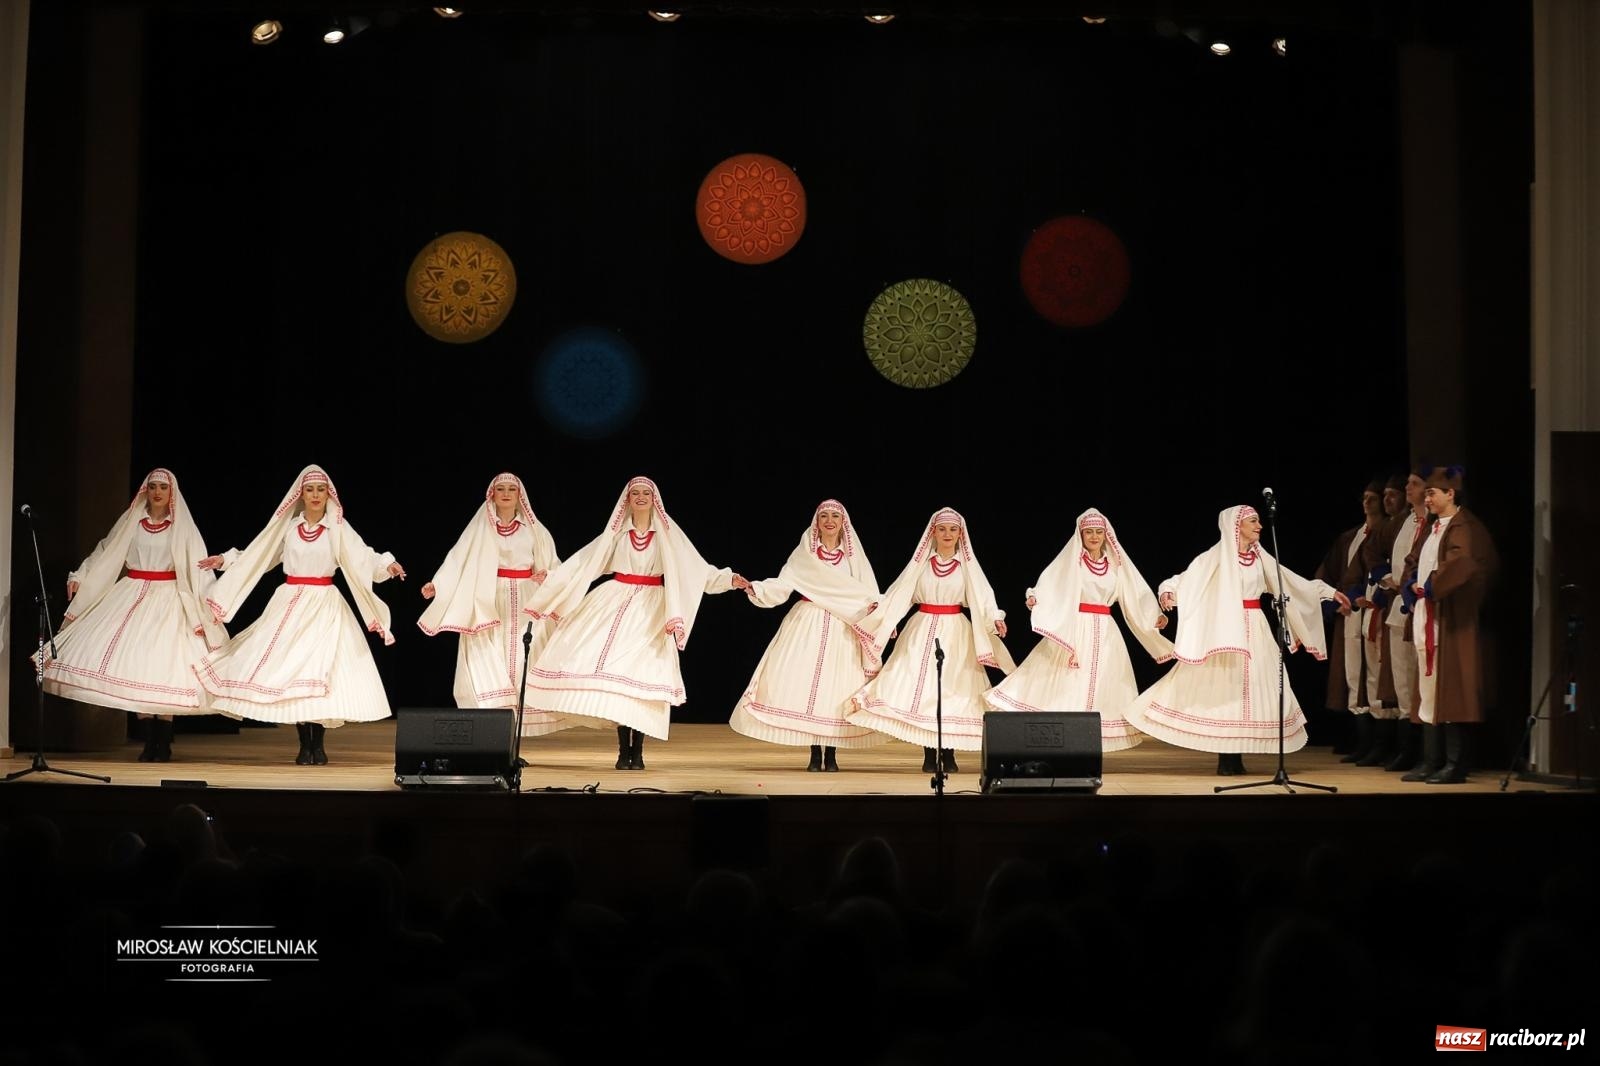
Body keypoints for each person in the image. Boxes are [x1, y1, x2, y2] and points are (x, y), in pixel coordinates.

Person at [520, 476, 748, 770]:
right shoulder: (616, 534)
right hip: (614, 602)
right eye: (635, 493)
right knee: (615, 673)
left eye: (646, 493)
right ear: (626, 499)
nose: (640, 497)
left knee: (641, 677)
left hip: (651, 609)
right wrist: (553, 578)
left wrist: (728, 579)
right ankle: (621, 751)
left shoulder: (667, 534)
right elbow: (584, 564)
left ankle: (637, 751)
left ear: (655, 498)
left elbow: (696, 569)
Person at [195, 465, 406, 765]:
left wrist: (387, 566)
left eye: (321, 490)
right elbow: (259, 556)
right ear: (301, 494)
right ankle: (303, 743)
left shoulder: (338, 528)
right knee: (291, 669)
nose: (316, 495)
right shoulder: (289, 528)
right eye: (310, 490)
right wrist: (225, 560)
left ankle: (317, 744)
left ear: (328, 494)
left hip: (324, 604)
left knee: (317, 670)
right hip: (290, 603)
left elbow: (364, 557)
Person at [1124, 505, 1350, 776]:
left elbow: (1291, 583)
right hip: (1226, 630)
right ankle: (1227, 757)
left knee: (1254, 688)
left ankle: (1239, 753)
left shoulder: (1261, 559)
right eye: (1253, 521)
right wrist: (1169, 592)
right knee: (1227, 689)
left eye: (1258, 521)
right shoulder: (1216, 558)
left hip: (1255, 629)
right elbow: (1184, 579)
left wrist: (1327, 591)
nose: (1259, 526)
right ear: (1236, 525)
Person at [37, 469, 229, 762]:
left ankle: (162, 740)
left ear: (171, 493)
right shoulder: (132, 523)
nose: (157, 492)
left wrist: (213, 601)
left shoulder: (181, 527)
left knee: (163, 665)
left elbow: (196, 562)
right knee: (136, 662)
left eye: (163, 487)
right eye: (152, 486)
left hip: (168, 597)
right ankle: (147, 739)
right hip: (133, 594)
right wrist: (81, 574)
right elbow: (105, 549)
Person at [985, 508, 1172, 752]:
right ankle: (1063, 738)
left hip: (1105, 631)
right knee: (1067, 682)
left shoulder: (1115, 566)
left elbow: (1135, 593)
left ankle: (1091, 744)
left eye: (1098, 532)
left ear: (1106, 535)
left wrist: (1152, 615)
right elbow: (1052, 582)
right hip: (1076, 626)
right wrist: (1036, 597)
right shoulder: (1073, 562)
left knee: (1103, 681)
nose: (1094, 537)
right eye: (1089, 532)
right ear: (1081, 535)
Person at [846, 507, 1014, 774]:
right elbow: (899, 593)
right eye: (942, 529)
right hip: (922, 628)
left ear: (961, 534)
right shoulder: (921, 565)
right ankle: (928, 750)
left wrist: (994, 618)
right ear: (933, 532)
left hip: (956, 630)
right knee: (921, 687)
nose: (947, 534)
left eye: (953, 529)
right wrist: (881, 612)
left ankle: (948, 752)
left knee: (953, 688)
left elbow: (983, 597)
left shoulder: (967, 568)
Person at [730, 499, 882, 771]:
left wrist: (879, 615)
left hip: (841, 626)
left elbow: (868, 592)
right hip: (807, 621)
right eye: (824, 516)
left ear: (843, 522)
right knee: (805, 684)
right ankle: (814, 753)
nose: (829, 520)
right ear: (817, 522)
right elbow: (783, 583)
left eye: (835, 516)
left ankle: (832, 754)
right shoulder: (805, 555)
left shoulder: (852, 558)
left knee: (836, 686)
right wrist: (755, 588)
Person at [418, 473, 560, 708]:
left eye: (511, 490)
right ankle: (494, 711)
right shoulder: (481, 527)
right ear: (492, 494)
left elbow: (551, 562)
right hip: (488, 596)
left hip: (525, 595)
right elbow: (458, 557)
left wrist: (547, 574)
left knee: (521, 651)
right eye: (500, 489)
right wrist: (439, 584)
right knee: (487, 651)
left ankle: (521, 713)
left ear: (519, 495)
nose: (505, 494)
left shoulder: (534, 529)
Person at [1398, 465, 1497, 784]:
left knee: (1451, 688)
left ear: (1450, 494)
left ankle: (1455, 764)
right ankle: (1431, 759)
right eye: (1425, 492)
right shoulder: (1432, 527)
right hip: (1428, 615)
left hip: (1450, 619)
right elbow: (1414, 560)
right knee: (1428, 688)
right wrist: (1410, 582)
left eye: (1431, 493)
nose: (1426, 499)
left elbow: (1462, 563)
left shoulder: (1462, 526)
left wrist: (1431, 585)